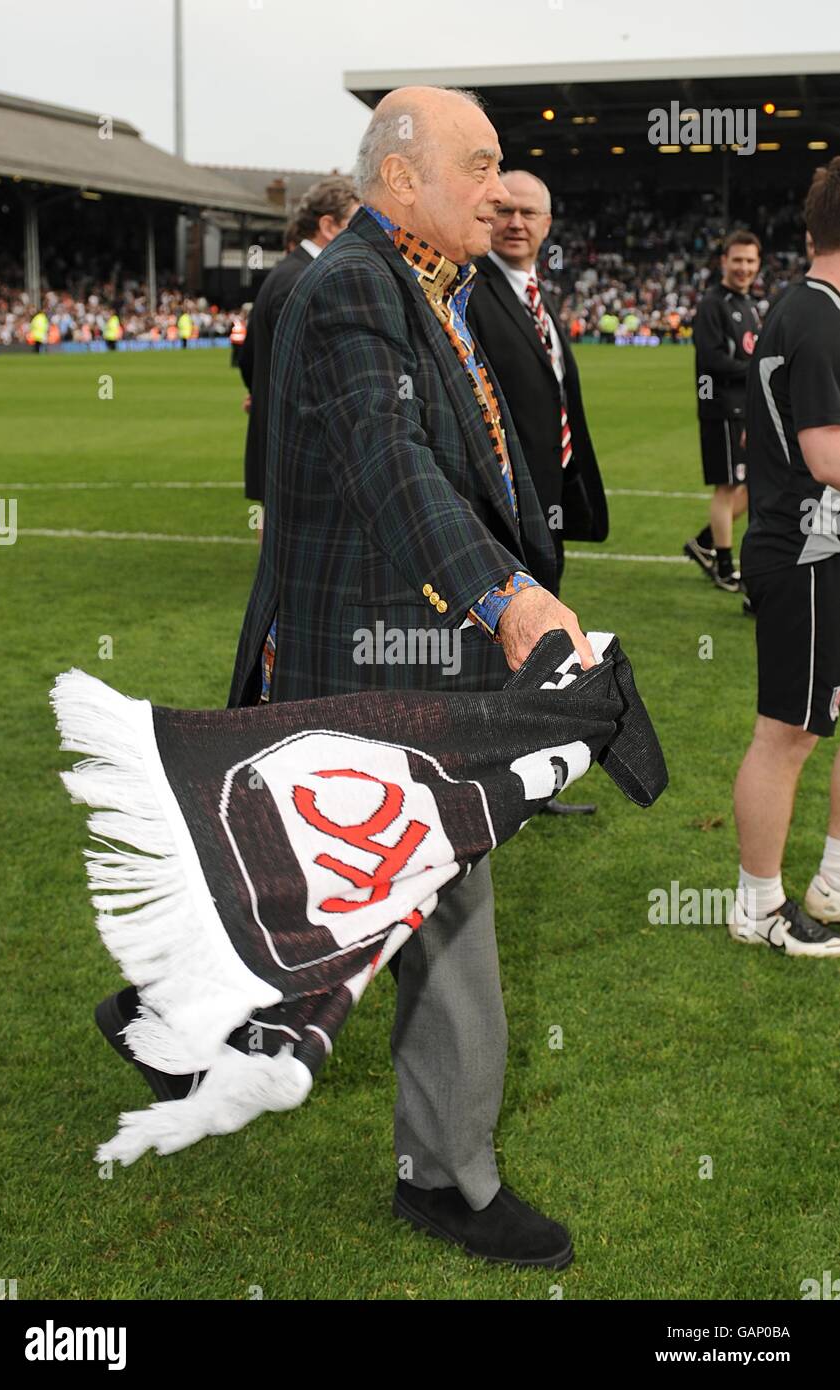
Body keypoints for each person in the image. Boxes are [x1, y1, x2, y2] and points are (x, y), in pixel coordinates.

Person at [223, 85, 596, 1266]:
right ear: (400, 178)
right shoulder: (348, 290)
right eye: (479, 165)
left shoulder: (427, 284)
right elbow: (396, 472)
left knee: (356, 903)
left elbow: (463, 461)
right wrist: (506, 597)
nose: (501, 189)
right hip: (369, 668)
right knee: (440, 909)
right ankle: (445, 1177)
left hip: (402, 661)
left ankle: (191, 1005)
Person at [728, 160, 840, 958]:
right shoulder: (820, 318)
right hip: (806, 550)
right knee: (786, 734)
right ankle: (756, 905)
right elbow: (826, 454)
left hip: (819, 543)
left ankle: (832, 876)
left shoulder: (808, 306)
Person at [466, 168, 607, 596]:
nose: (515, 223)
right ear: (487, 216)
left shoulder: (538, 296)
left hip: (550, 496)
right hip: (502, 509)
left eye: (528, 212)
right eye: (504, 210)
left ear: (546, 224)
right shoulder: (467, 290)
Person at [239, 179, 359, 504]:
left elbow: (248, 358)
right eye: (355, 223)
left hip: (281, 438)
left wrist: (261, 394)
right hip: (298, 447)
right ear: (329, 226)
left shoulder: (289, 272)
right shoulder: (309, 278)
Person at [684, 231, 762, 592]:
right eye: (738, 260)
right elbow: (713, 358)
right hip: (721, 408)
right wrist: (759, 368)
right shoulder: (713, 304)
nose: (744, 267)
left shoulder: (748, 304)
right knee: (727, 487)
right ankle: (725, 568)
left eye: (750, 260)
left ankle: (704, 541)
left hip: (743, 408)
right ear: (724, 262)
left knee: (750, 484)